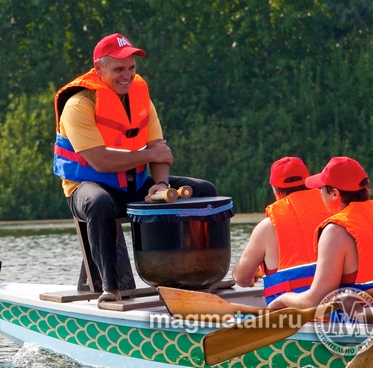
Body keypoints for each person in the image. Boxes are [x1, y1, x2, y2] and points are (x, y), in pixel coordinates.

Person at [53, 33, 217, 306]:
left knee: (204, 191)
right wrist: (151, 154)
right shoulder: (79, 105)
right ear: (99, 69)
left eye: (131, 68)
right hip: (87, 189)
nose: (126, 75)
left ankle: (194, 277)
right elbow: (100, 162)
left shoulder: (141, 98)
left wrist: (162, 186)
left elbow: (159, 150)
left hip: (135, 184)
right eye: (118, 69)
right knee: (100, 202)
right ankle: (110, 288)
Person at [268, 156, 373, 310]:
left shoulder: (335, 232)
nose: (319, 193)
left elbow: (317, 300)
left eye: (321, 188)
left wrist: (284, 298)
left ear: (334, 194)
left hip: (363, 324)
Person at [232, 157, 331, 303]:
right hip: (334, 308)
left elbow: (242, 279)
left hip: (289, 315)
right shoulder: (334, 212)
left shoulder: (267, 227)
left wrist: (240, 272)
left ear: (275, 191)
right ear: (309, 183)